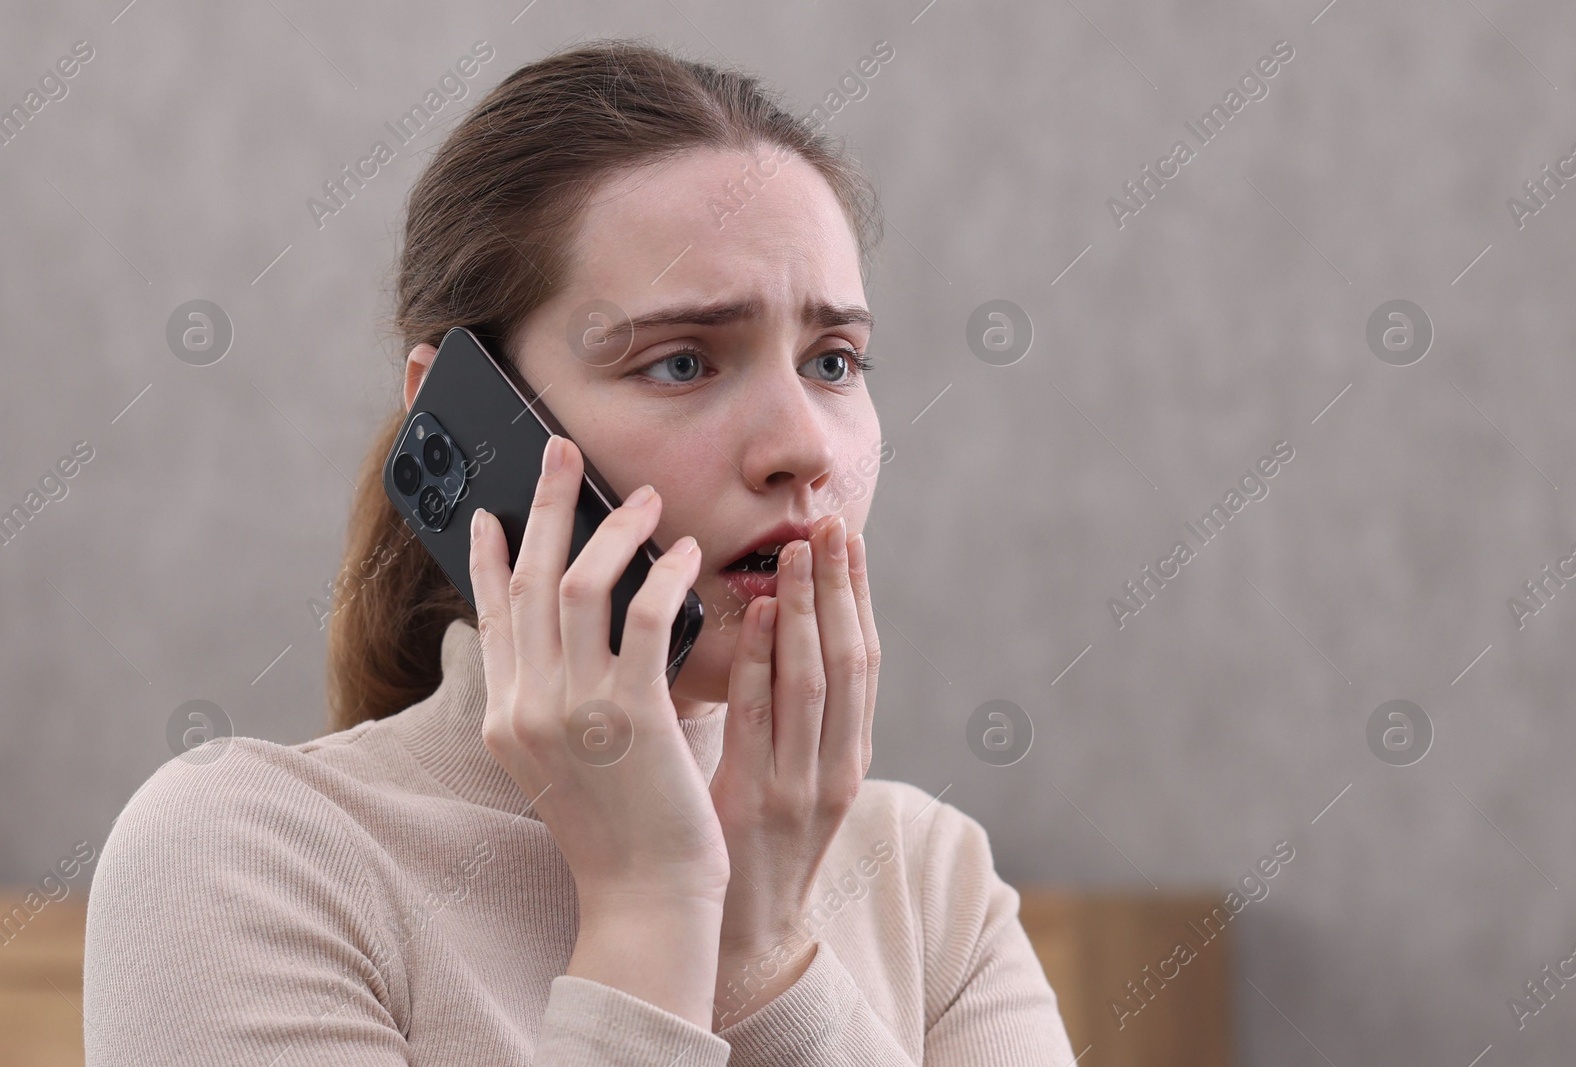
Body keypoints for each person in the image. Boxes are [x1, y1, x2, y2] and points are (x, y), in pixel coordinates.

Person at [82, 37, 1077, 1065]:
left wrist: (765, 953)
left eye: (833, 360)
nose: (802, 449)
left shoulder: (930, 877)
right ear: (466, 424)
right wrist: (651, 906)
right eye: (682, 361)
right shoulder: (247, 854)